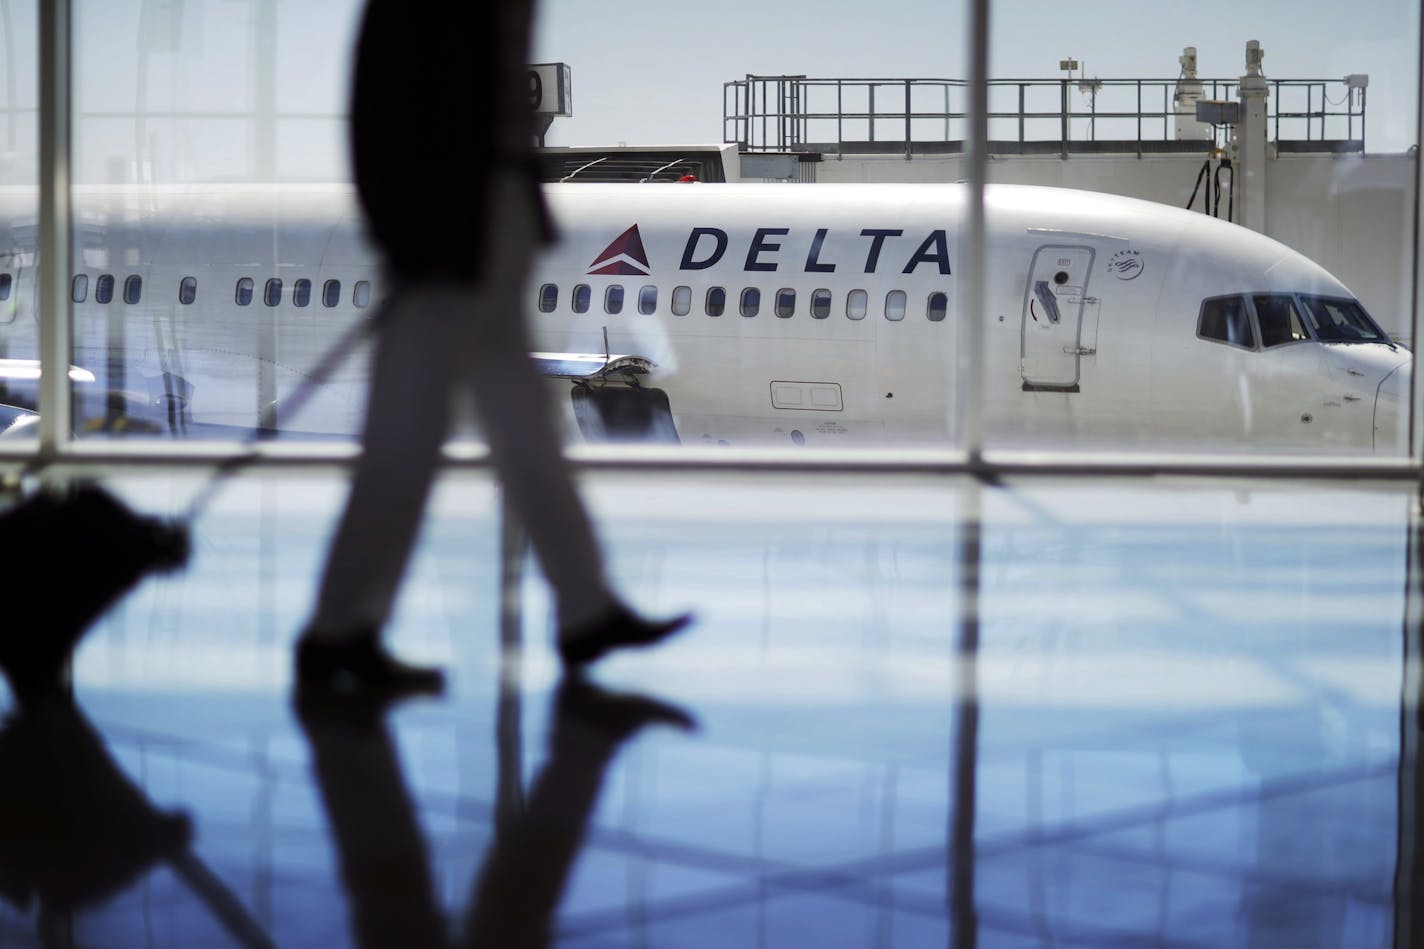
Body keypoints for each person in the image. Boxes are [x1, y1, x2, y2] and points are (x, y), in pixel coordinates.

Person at [295, 0, 690, 695]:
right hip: (447, 247)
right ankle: (336, 633)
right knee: (412, 442)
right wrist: (408, 235)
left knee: (524, 432)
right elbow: (380, 117)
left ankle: (584, 607)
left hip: (488, 236)